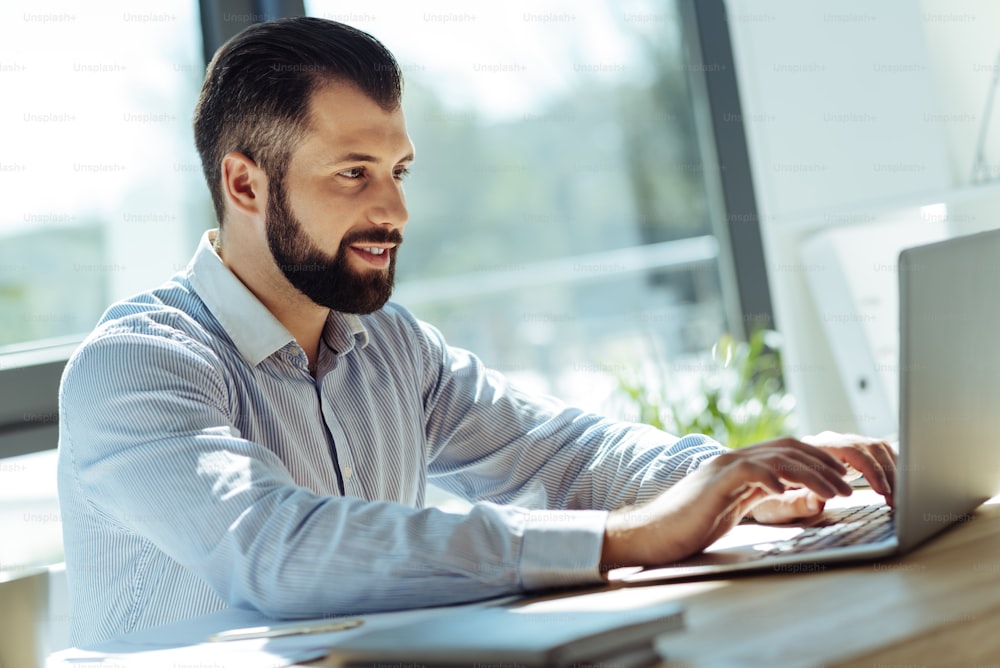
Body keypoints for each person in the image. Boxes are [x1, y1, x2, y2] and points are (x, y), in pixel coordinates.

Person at [56, 16, 896, 647]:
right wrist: (627, 539)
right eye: (353, 174)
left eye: (397, 171)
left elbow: (559, 456)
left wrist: (737, 478)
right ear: (244, 183)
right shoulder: (138, 366)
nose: (394, 211)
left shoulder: (387, 346)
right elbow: (276, 549)